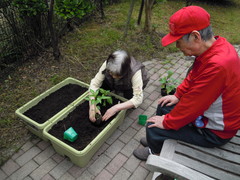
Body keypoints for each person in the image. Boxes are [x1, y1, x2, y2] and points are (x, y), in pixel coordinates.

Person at [133, 6, 240, 161]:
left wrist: (168, 122)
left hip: (215, 131)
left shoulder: (218, 65)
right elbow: (194, 76)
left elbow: (194, 103)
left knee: (153, 128)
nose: (177, 47)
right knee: (164, 106)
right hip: (206, 112)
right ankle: (158, 141)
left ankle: (155, 153)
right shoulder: (216, 48)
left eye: (178, 41)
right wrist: (178, 94)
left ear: (196, 36)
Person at [88, 50, 149, 122]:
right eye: (111, 73)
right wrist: (92, 106)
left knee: (128, 99)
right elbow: (95, 83)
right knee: (103, 85)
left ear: (125, 71)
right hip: (117, 82)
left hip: (129, 85)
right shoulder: (108, 64)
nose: (113, 77)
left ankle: (123, 94)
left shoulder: (134, 72)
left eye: (117, 75)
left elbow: (138, 99)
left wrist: (116, 108)